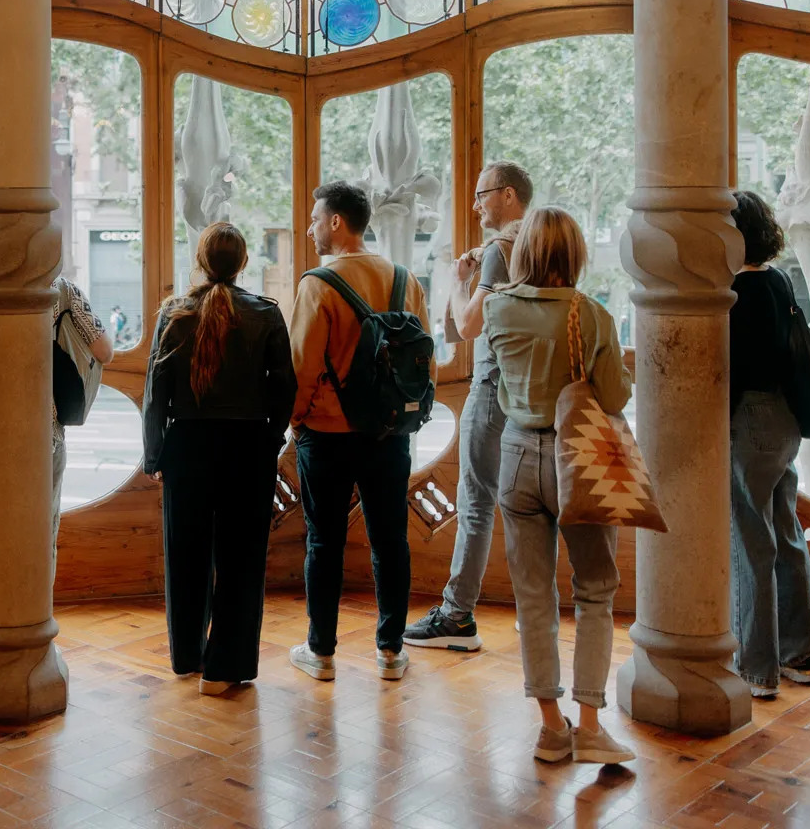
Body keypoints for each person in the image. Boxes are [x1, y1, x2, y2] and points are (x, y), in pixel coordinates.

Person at [483, 206, 635, 765]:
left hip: (517, 457)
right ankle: (591, 725)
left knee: (533, 596)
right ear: (575, 254)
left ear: (523, 253)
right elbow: (615, 399)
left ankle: (551, 729)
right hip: (579, 460)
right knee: (594, 591)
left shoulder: (498, 309)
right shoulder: (591, 315)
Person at [143, 222, 295, 695]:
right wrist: (271, 440)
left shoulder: (174, 313)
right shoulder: (266, 315)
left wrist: (155, 456)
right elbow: (284, 387)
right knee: (241, 558)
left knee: (185, 554)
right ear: (244, 263)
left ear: (201, 261)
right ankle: (224, 667)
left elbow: (155, 395)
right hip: (248, 447)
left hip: (187, 445)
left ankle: (187, 656)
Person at [287, 180, 427, 683]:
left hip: (326, 433)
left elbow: (302, 366)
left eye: (313, 218)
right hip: (390, 433)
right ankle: (391, 651)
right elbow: (420, 359)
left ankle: (321, 653)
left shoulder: (317, 283)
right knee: (391, 540)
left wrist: (297, 420)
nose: (309, 228)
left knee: (324, 542)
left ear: (336, 223)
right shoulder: (406, 279)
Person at [0, 274, 113, 653]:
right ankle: (33, 622)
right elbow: (104, 350)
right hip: (41, 441)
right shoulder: (60, 290)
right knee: (38, 538)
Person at [409, 161, 532, 652]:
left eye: (481, 194)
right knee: (528, 507)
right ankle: (534, 607)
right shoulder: (539, 248)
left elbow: (467, 326)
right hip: (530, 391)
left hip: (494, 386)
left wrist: (459, 281)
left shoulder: (500, 253)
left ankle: (457, 616)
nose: (476, 203)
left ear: (506, 195)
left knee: (476, 503)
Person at [729, 190, 810, 699]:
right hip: (787, 418)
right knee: (786, 536)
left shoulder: (737, 292)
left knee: (750, 543)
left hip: (752, 418)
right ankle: (799, 655)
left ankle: (757, 669)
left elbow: (735, 373)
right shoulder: (779, 280)